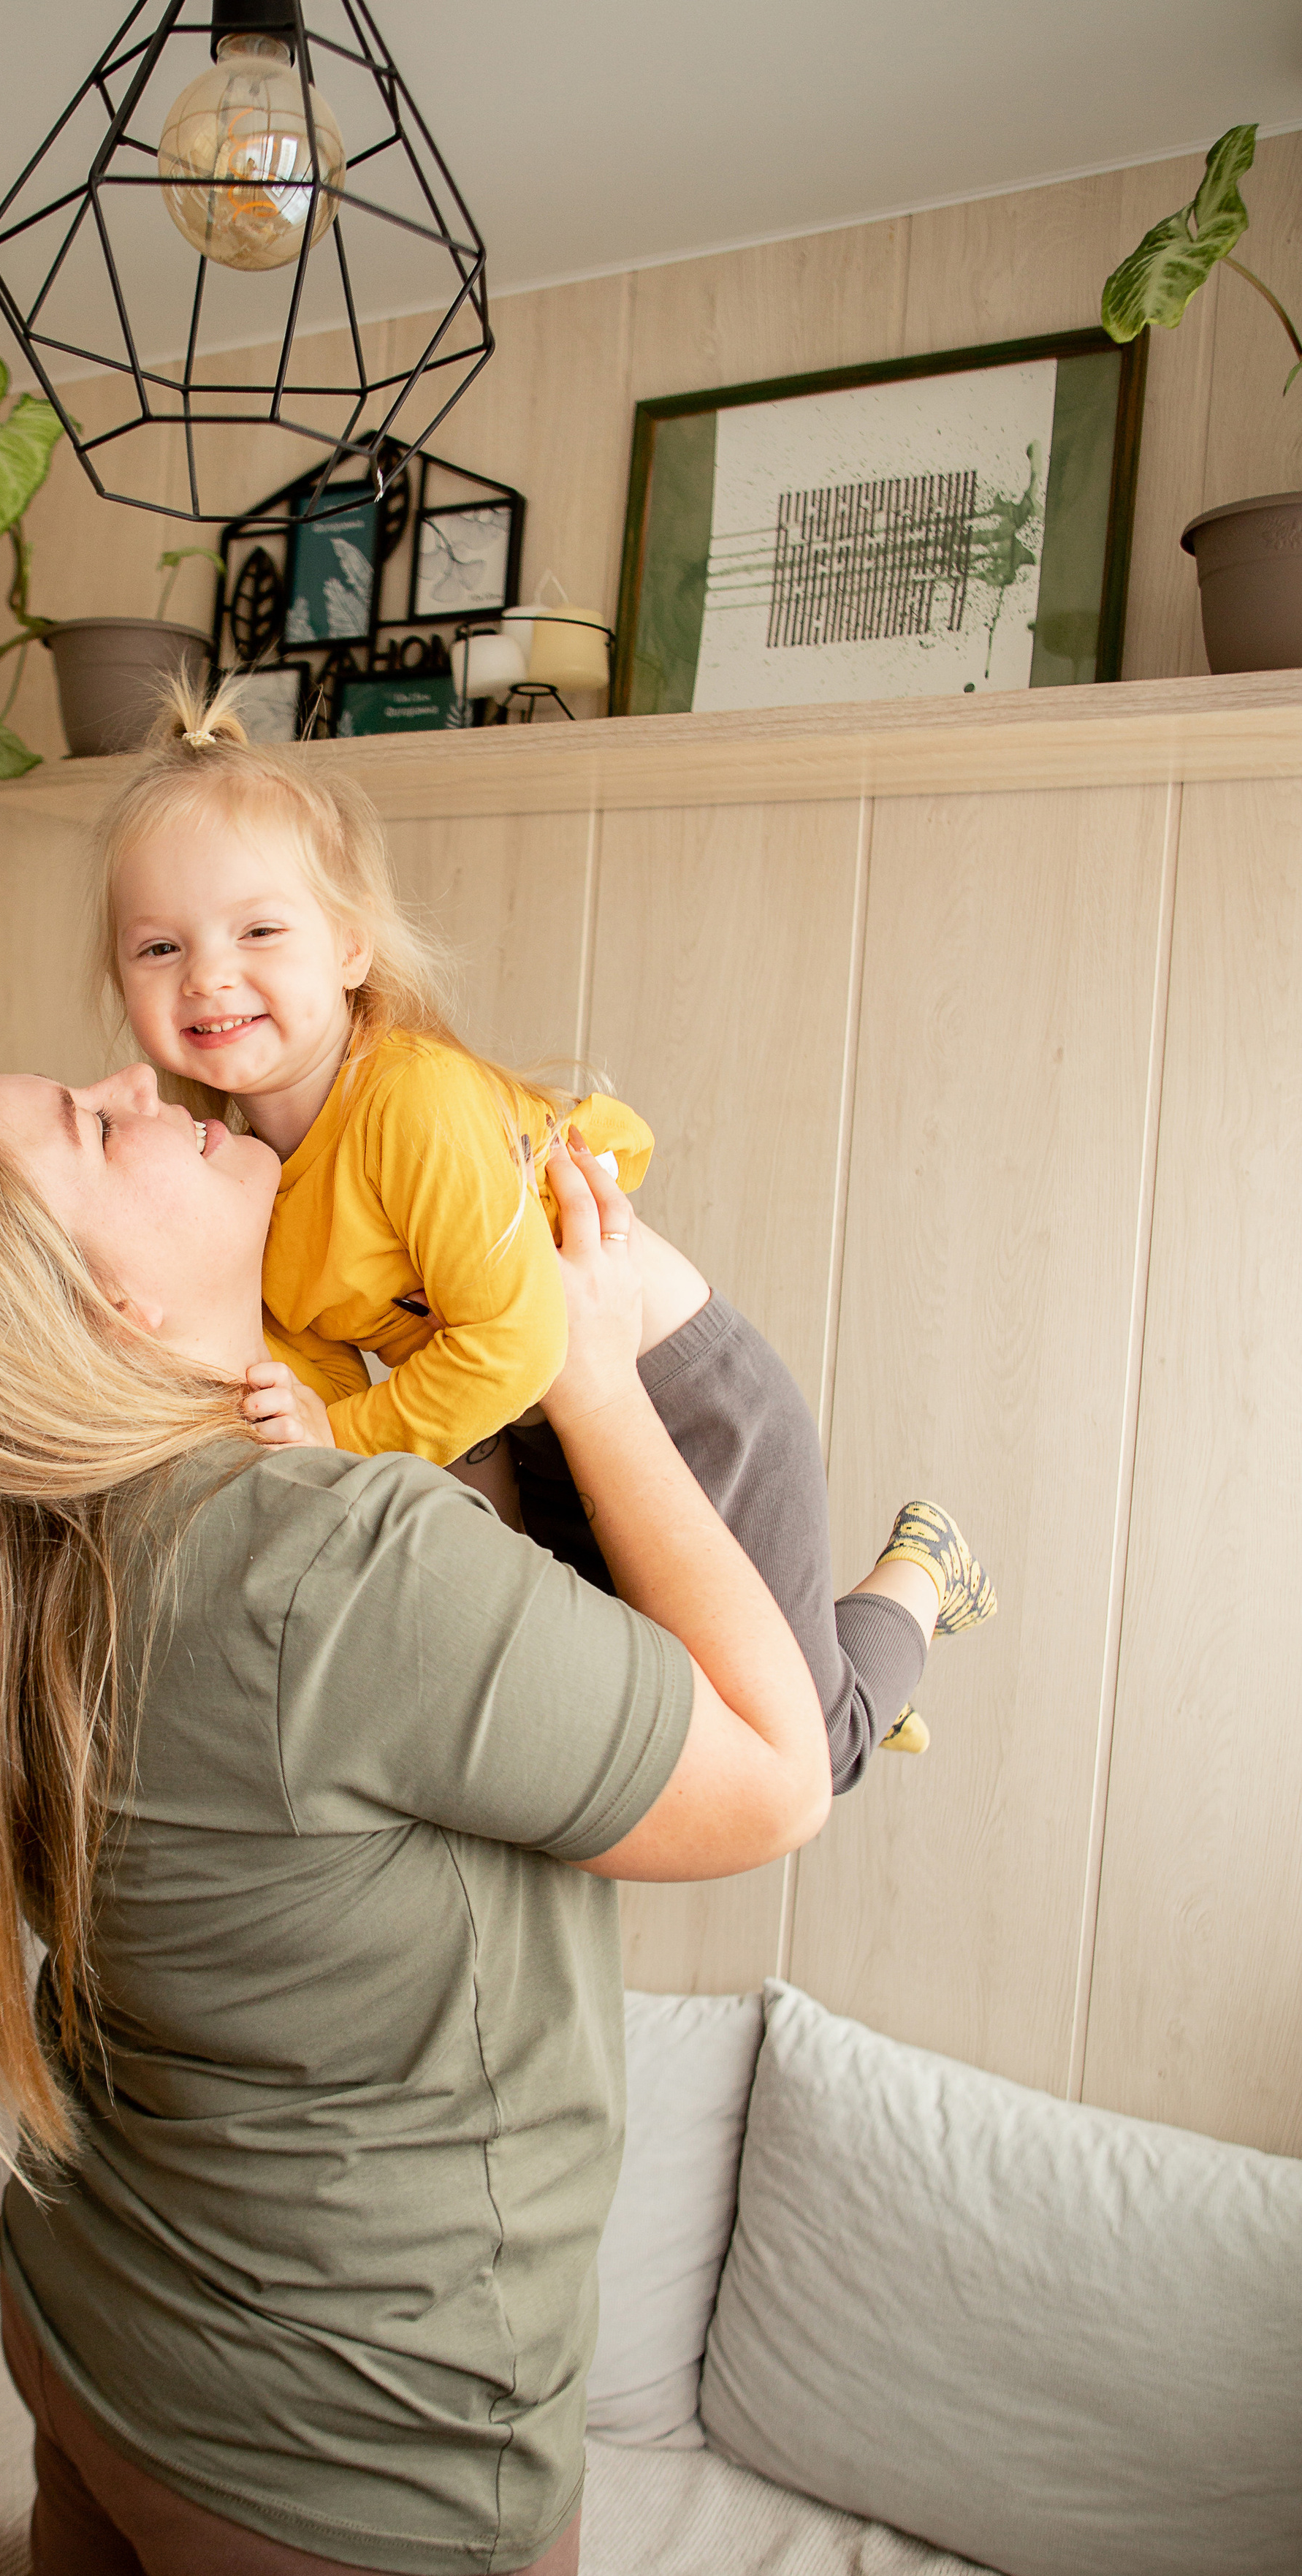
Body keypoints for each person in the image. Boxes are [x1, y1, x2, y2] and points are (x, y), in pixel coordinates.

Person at [0, 1053, 831, 2576]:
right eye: (98, 1127)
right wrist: (587, 1362)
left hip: (101, 2330)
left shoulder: (21, 1574)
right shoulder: (325, 1563)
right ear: (99, 1306)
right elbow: (779, 1774)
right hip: (358, 2466)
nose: (145, 1068)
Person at [94, 682, 997, 1790]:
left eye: (260, 930)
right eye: (157, 948)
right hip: (533, 1429)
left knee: (815, 1749)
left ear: (351, 952)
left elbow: (512, 1348)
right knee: (667, 1709)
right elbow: (324, 1402)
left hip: (683, 1401)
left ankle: (921, 1575)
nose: (209, 974)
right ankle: (855, 1669)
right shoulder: (243, 1182)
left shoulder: (408, 1104)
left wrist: (344, 1429)